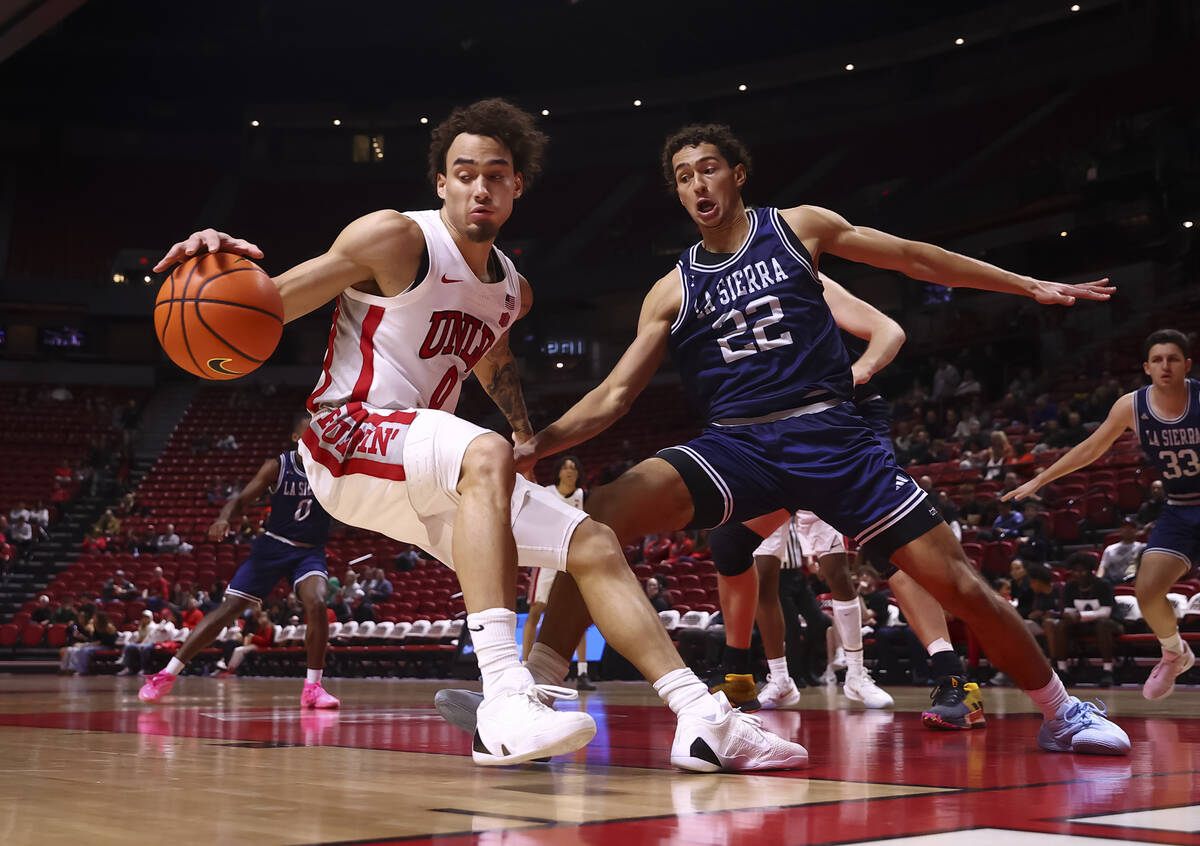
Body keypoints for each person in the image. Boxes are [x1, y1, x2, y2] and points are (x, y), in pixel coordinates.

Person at [152, 100, 797, 771]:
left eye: (496, 175)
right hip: (345, 437)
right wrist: (214, 267)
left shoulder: (512, 291)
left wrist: (524, 434)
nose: (480, 187)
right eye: (465, 174)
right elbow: (270, 302)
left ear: (517, 186)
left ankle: (702, 719)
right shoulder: (393, 238)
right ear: (441, 183)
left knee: (592, 541)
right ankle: (506, 698)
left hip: (423, 467)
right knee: (480, 450)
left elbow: (491, 355)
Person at [504, 122, 1127, 756]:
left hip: (834, 437)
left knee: (960, 585)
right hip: (738, 446)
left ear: (736, 174)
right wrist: (537, 445)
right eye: (685, 176)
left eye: (709, 167)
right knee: (601, 513)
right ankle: (535, 693)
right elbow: (615, 396)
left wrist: (1025, 284)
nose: (699, 183)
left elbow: (913, 257)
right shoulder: (671, 289)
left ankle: (1063, 712)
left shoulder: (799, 227)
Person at [1007, 329, 1197, 700]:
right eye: (1157, 360)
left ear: (1187, 365)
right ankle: (1175, 653)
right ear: (1146, 367)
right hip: (1178, 509)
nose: (1165, 366)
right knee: (1146, 590)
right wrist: (1040, 480)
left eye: (1173, 359)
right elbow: (1091, 448)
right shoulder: (1132, 406)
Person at [139, 414, 339, 709]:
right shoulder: (278, 466)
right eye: (311, 432)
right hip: (274, 546)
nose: (317, 438)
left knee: (318, 602)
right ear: (297, 437)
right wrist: (223, 519)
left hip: (309, 550)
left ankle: (313, 687)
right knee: (229, 609)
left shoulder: (333, 471)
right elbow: (241, 500)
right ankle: (166, 675)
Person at [522, 455, 595, 690]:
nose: (570, 471)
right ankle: (524, 668)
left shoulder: (583, 496)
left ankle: (582, 673)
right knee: (536, 611)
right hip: (547, 556)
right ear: (558, 472)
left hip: (572, 559)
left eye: (574, 468)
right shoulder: (546, 492)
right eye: (566, 467)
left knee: (577, 617)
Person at [1043, 553, 1123, 687]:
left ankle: (1107, 671)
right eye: (1075, 571)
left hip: (1111, 623)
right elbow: (1069, 611)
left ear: (1091, 571)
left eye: (1082, 571)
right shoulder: (1070, 587)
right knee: (1061, 625)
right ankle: (1063, 670)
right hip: (1082, 625)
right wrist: (1068, 617)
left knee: (1102, 625)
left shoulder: (1103, 585)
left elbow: (1106, 612)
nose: (1078, 574)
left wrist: (1080, 616)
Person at [1097, 517, 1145, 587]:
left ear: (1136, 530)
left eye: (1131, 528)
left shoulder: (1142, 548)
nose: (1127, 530)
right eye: (1125, 528)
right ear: (1120, 530)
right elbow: (1103, 567)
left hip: (1135, 582)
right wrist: (1098, 580)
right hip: (1113, 583)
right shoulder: (1110, 549)